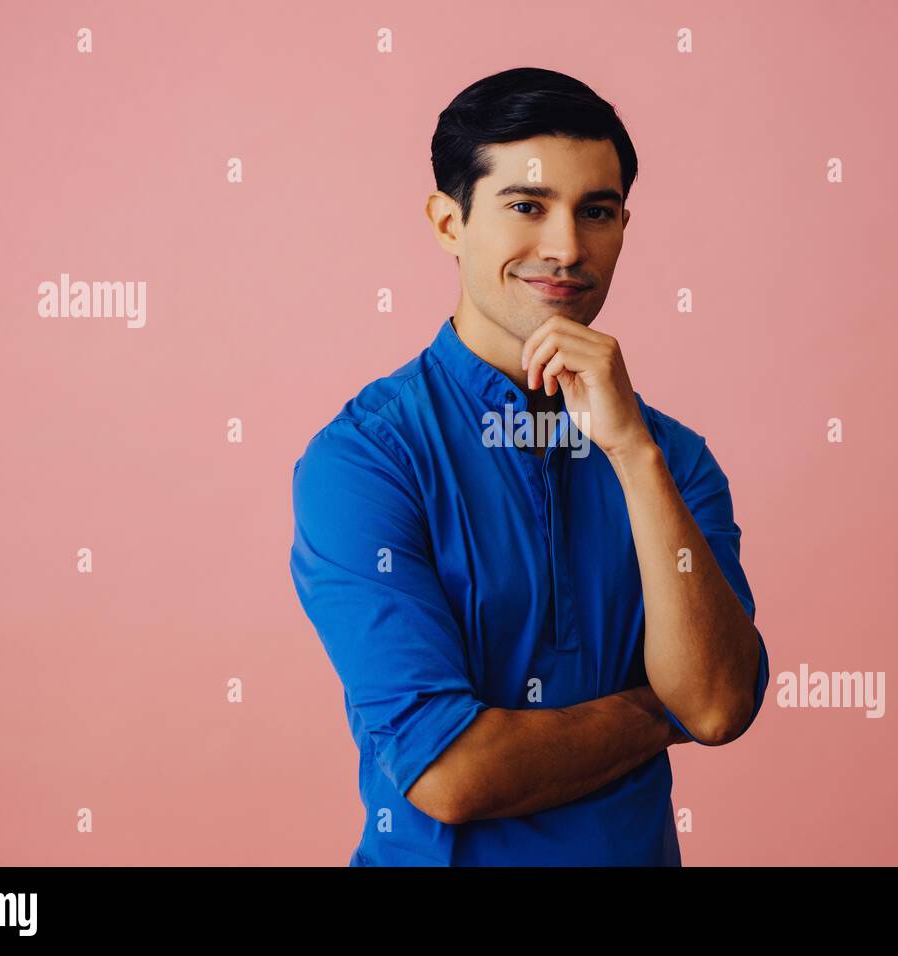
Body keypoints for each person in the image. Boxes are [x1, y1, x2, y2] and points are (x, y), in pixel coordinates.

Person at [290, 67, 769, 866]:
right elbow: (450, 771)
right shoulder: (367, 460)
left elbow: (718, 705)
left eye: (597, 212)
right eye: (527, 206)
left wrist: (632, 453)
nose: (567, 248)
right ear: (449, 223)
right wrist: (659, 713)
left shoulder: (671, 459)